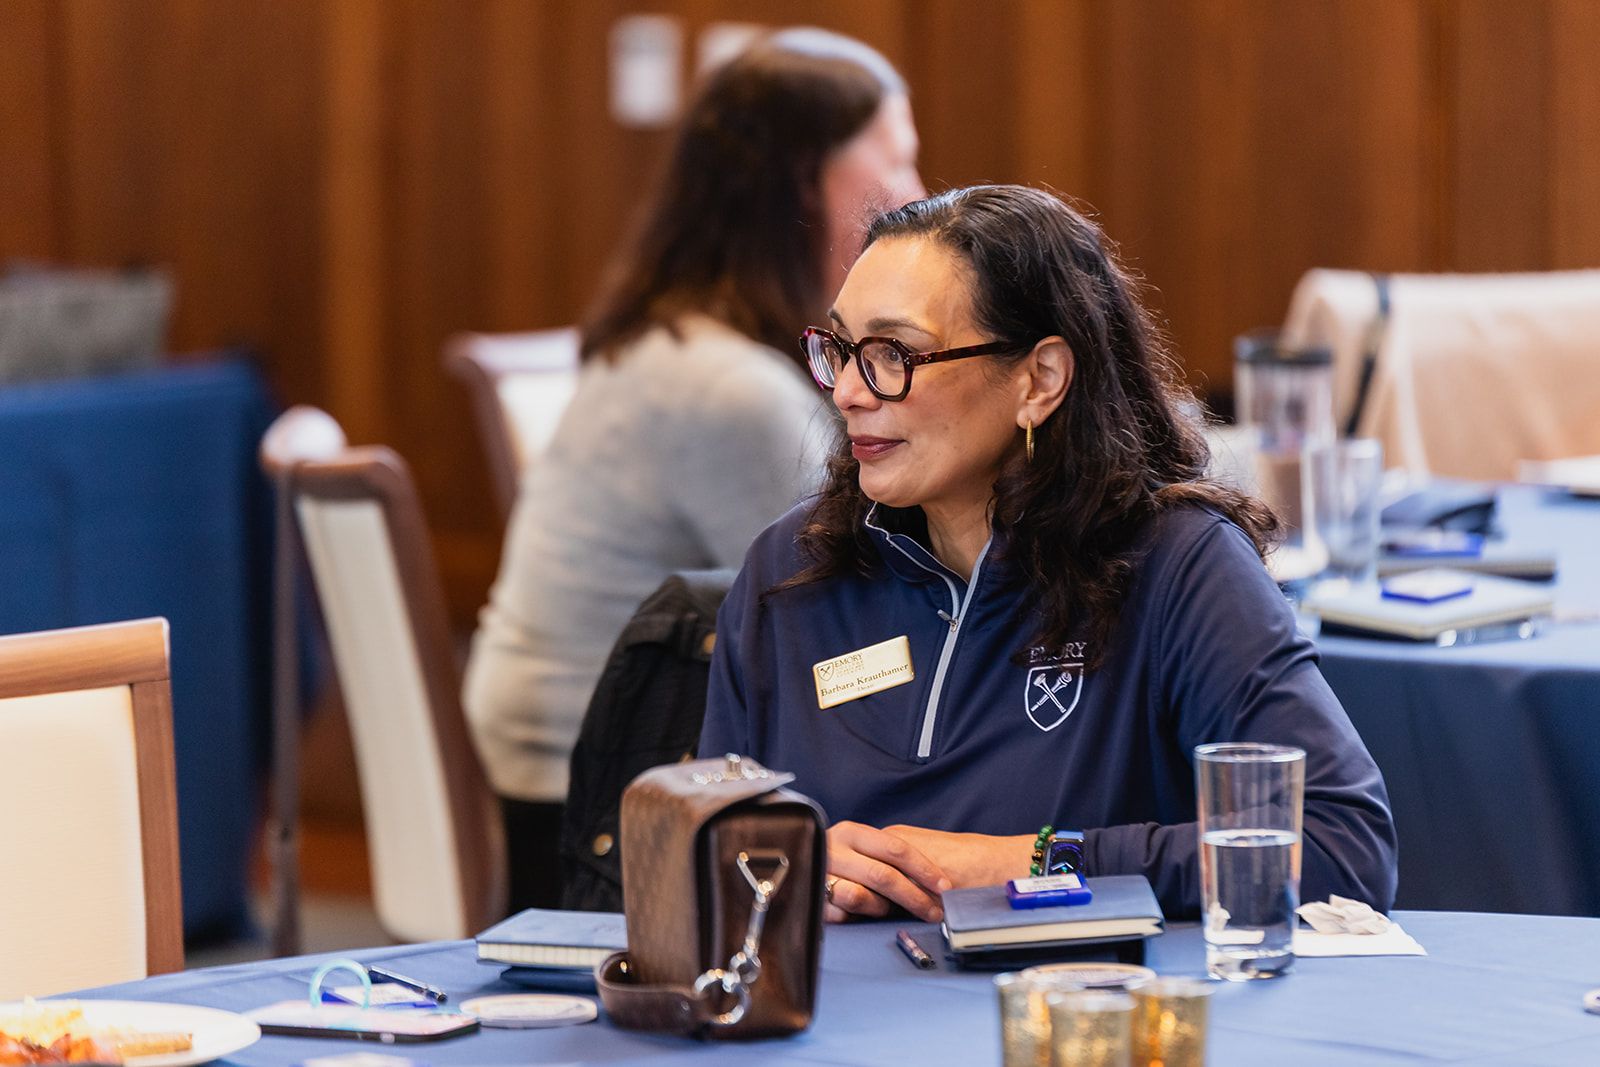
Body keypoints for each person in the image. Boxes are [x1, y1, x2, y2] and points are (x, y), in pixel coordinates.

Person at [699, 184, 1398, 922]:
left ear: (1040, 381)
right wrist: (784, 862)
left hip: (1083, 992)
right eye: (841, 350)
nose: (847, 391)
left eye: (893, 354)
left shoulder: (1179, 566)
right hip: (837, 996)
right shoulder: (791, 569)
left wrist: (1032, 863)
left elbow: (1340, 845)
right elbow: (702, 849)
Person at [464, 28, 925, 911]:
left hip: (590, 749)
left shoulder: (679, 338)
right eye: (896, 163)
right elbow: (849, 621)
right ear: (804, 183)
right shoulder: (727, 389)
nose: (916, 196)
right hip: (611, 789)